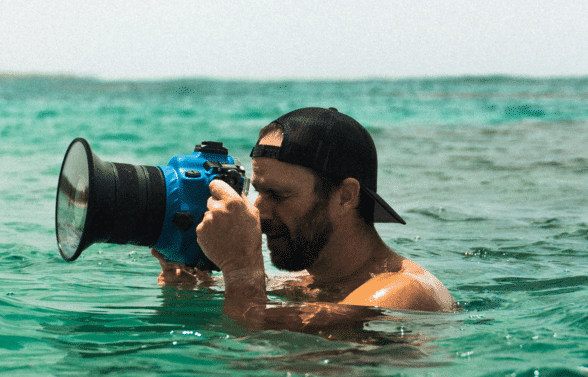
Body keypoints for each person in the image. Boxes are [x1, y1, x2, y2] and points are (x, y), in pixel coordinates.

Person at [154, 107, 456, 329]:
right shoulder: (311, 282)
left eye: (280, 195)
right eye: (258, 192)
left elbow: (251, 337)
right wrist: (192, 283)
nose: (259, 210)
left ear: (346, 196)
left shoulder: (398, 294)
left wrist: (240, 268)